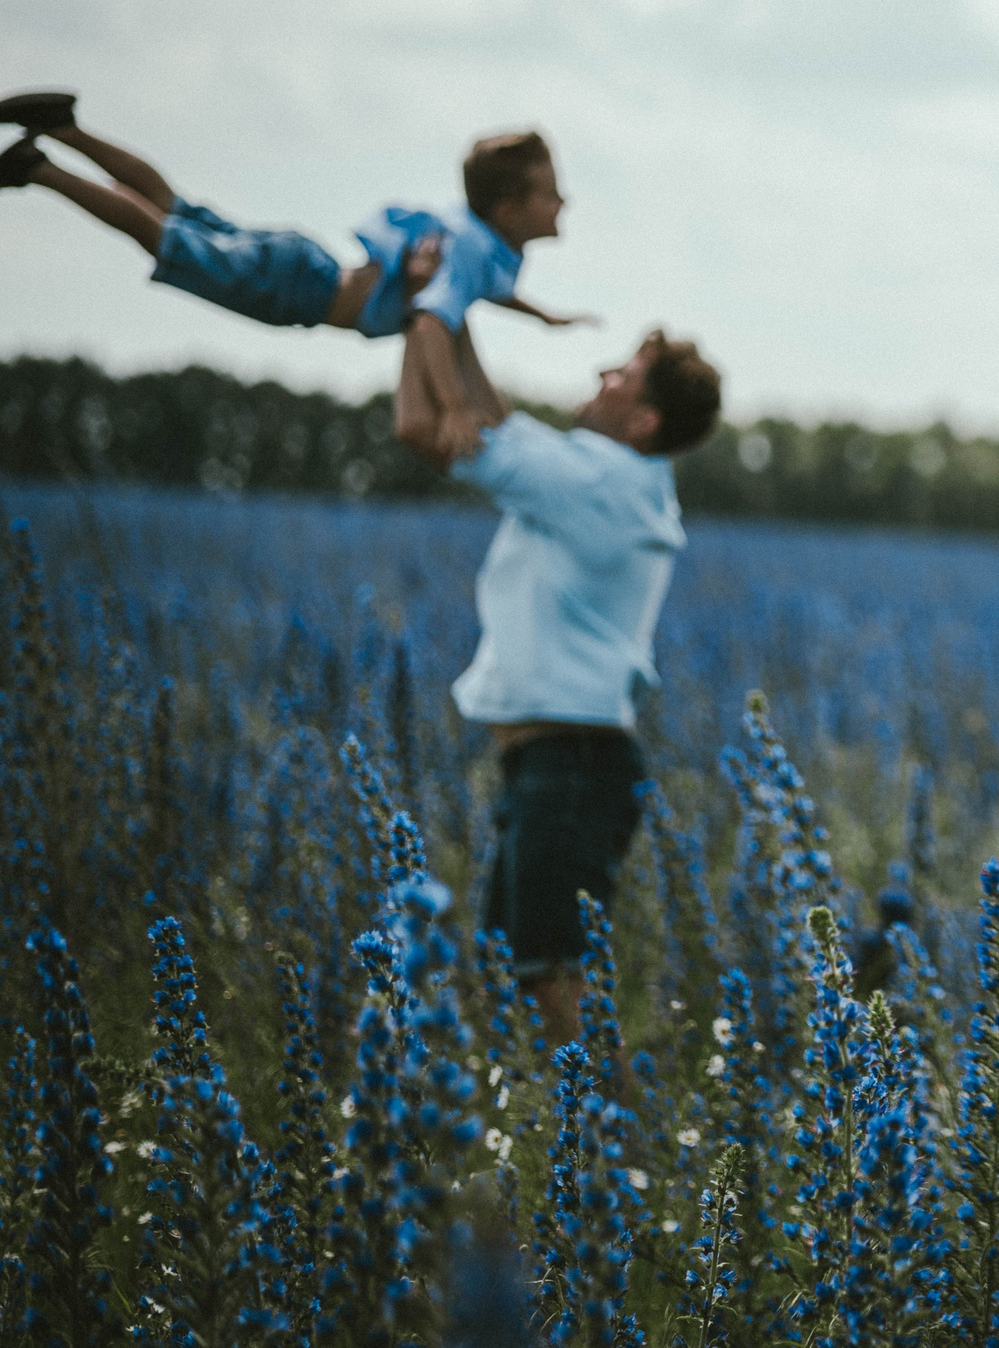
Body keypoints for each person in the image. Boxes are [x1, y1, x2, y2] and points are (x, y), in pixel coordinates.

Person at [399, 317, 723, 1051]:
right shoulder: (613, 480)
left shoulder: (599, 481)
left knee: (553, 980)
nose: (603, 372)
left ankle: (621, 1154)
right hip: (560, 763)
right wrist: (453, 317)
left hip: (570, 767)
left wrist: (429, 316)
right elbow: (492, 422)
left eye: (624, 375)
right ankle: (576, 1143)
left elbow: (430, 428)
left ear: (642, 420)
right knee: (514, 974)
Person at [0, 92, 590, 438]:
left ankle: (65, 126)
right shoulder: (467, 256)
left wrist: (540, 316)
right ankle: (38, 169)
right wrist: (456, 408)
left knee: (176, 209)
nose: (564, 200)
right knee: (164, 238)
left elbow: (475, 291)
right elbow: (435, 322)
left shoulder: (475, 243)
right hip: (296, 292)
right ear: (509, 209)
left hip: (306, 265)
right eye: (553, 193)